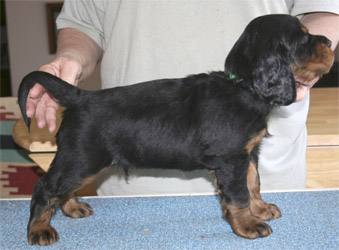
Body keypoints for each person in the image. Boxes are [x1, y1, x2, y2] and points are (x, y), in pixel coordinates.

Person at [26, 0, 339, 195]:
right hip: (129, 166)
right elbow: (83, 23)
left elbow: (325, 9)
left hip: (273, 173)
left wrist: (297, 54)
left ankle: (248, 200)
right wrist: (70, 57)